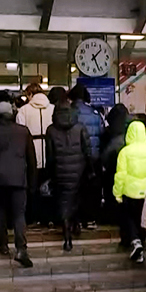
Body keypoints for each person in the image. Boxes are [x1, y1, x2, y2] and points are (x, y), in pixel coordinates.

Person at [0, 102, 37, 267]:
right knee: (19, 214)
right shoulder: (23, 131)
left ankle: (3, 244)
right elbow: (31, 159)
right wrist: (32, 181)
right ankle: (21, 249)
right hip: (18, 178)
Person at [45, 99, 91, 252]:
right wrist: (89, 168)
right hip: (79, 171)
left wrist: (50, 173)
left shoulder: (51, 130)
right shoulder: (80, 127)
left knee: (64, 202)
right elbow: (87, 150)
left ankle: (67, 237)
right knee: (75, 198)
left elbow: (50, 156)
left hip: (60, 171)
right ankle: (74, 228)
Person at [113, 120, 146, 263]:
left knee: (130, 217)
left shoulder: (124, 152)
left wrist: (117, 193)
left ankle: (135, 241)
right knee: (143, 218)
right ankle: (140, 244)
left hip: (130, 191)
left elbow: (120, 175)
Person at [69, 84, 104, 228]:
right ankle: (90, 220)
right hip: (93, 158)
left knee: (75, 190)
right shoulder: (95, 114)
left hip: (75, 157)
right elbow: (101, 133)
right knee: (91, 190)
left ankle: (75, 220)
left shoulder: (70, 113)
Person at [100, 104, 130, 227]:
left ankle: (111, 217)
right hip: (129, 166)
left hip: (111, 167)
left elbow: (102, 150)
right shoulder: (131, 129)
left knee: (111, 192)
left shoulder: (108, 131)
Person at [16, 83, 53, 169]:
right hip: (50, 149)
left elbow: (20, 131)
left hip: (30, 151)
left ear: (30, 94)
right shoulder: (53, 108)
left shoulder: (23, 110)